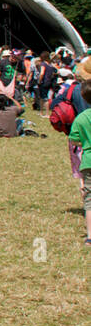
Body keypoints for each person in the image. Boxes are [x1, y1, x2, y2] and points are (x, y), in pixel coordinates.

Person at [64, 77, 91, 247]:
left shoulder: (81, 118)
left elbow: (73, 140)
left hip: (88, 160)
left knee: (89, 200)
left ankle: (90, 236)